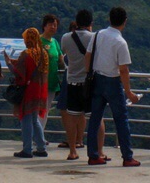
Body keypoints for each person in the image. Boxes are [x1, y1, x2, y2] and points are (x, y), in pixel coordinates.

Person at [84, 7, 142, 168]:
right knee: (121, 119)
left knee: (94, 119)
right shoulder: (120, 42)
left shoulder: (97, 35)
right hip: (112, 81)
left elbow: (88, 55)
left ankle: (93, 155)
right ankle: (127, 157)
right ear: (125, 21)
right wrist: (129, 92)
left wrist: (88, 74)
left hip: (96, 79)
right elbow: (123, 69)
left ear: (109, 19)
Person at [58, 10, 94, 161]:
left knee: (72, 117)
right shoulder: (94, 38)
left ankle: (72, 151)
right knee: (94, 117)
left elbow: (63, 55)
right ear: (90, 23)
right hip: (89, 83)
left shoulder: (66, 37)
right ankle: (97, 151)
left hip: (72, 81)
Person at [10, 27, 50, 158]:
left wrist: (9, 64)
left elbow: (20, 72)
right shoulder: (43, 53)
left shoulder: (26, 53)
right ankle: (41, 147)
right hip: (40, 89)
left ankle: (27, 149)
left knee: (26, 118)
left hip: (29, 90)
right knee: (34, 119)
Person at [40, 15, 62, 147]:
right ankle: (38, 136)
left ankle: (40, 135)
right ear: (44, 26)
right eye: (51, 24)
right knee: (40, 110)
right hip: (40, 82)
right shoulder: (39, 41)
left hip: (52, 82)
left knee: (46, 110)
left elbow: (60, 60)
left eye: (55, 25)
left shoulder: (55, 42)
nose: (53, 27)